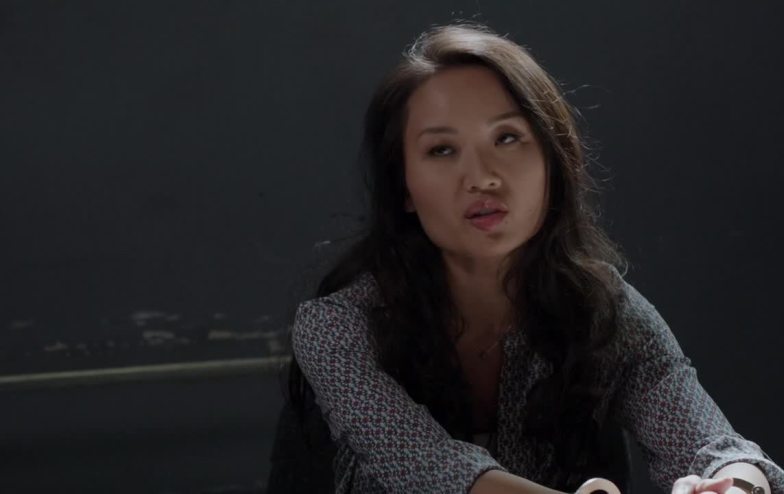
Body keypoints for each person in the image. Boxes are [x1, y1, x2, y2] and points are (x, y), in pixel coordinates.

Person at [269, 23, 784, 494]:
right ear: (403, 185)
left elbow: (715, 446)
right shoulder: (338, 326)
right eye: (442, 150)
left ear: (552, 161)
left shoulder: (603, 310)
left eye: (508, 138)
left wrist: (733, 486)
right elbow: (428, 467)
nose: (482, 177)